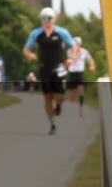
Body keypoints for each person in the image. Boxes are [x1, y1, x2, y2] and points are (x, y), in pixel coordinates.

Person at [22, 7, 78, 135]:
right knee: (48, 97)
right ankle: (52, 125)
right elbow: (26, 49)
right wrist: (29, 54)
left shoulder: (62, 32)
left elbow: (74, 46)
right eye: (44, 18)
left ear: (54, 19)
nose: (46, 20)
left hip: (59, 68)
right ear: (40, 20)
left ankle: (58, 105)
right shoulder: (36, 33)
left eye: (49, 18)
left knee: (59, 96)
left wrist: (72, 58)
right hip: (44, 68)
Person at [66, 36, 96, 116]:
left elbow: (90, 59)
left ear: (81, 44)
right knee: (73, 93)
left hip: (80, 72)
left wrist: (92, 65)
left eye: (78, 44)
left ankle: (81, 109)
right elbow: (70, 61)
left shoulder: (84, 51)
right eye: (75, 44)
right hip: (72, 73)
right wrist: (75, 54)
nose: (76, 45)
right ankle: (70, 102)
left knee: (81, 90)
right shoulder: (69, 51)